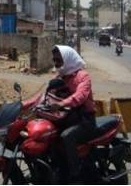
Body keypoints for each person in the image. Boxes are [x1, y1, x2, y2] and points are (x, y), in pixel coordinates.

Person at [48, 45, 97, 182]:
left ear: (67, 59)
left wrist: (62, 104)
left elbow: (80, 96)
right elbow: (45, 94)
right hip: (67, 119)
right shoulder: (60, 76)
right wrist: (24, 105)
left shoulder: (83, 76)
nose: (56, 63)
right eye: (55, 60)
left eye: (59, 60)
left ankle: (75, 174)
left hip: (85, 120)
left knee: (66, 136)